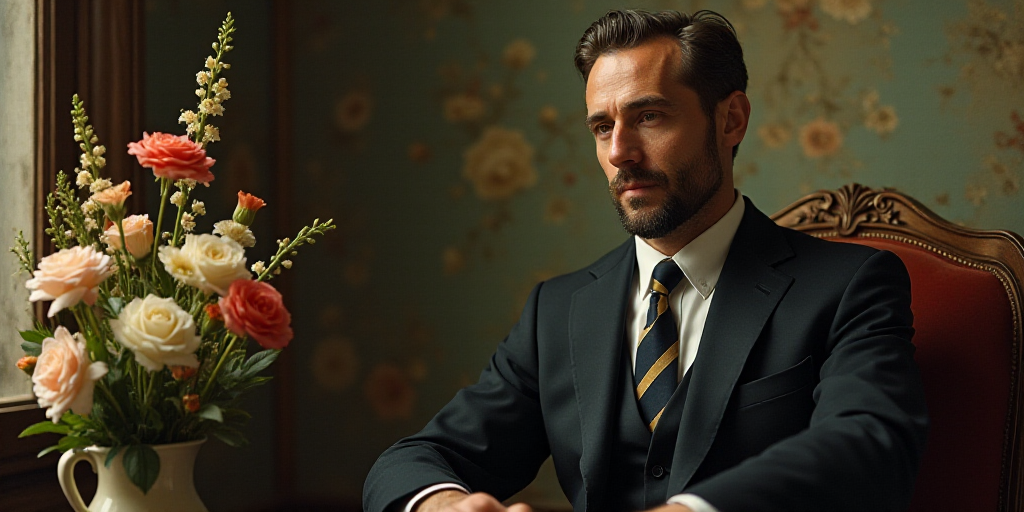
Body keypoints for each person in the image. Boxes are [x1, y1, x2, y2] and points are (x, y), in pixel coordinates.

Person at [364, 9, 928, 512]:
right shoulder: (556, 311)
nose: (618, 154)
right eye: (602, 126)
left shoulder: (850, 284)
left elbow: (869, 447)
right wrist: (443, 506)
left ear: (731, 120)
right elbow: (415, 460)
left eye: (650, 117)